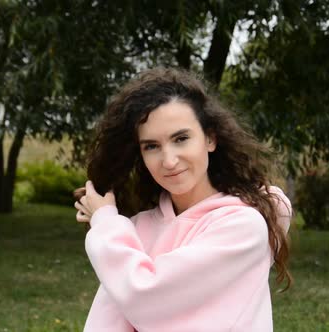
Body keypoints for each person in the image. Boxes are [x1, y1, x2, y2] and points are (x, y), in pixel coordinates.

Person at [74, 67, 292, 332]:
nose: (169, 161)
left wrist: (106, 222)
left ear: (210, 138)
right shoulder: (136, 228)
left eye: (181, 138)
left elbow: (145, 297)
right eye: (151, 146)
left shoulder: (244, 227)